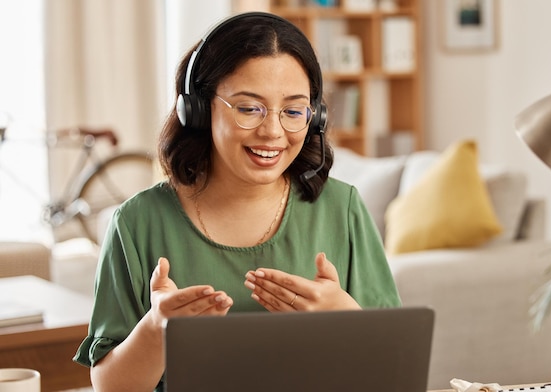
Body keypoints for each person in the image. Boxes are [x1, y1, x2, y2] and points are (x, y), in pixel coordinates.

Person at [73, 11, 401, 392]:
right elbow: (110, 387)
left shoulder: (342, 208)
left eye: (293, 111)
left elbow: (395, 370)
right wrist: (156, 329)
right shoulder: (137, 222)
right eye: (249, 108)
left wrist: (347, 322)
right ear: (197, 107)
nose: (273, 131)